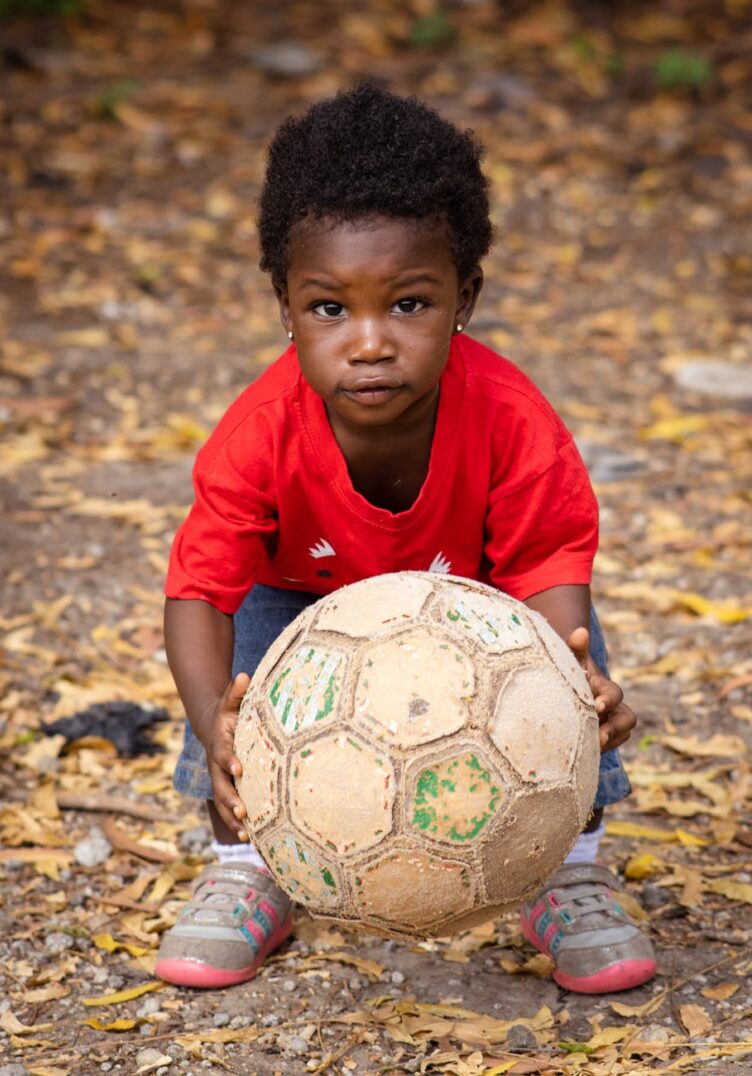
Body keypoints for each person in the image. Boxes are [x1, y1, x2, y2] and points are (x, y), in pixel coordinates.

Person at [155, 83, 656, 995]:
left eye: (410, 305)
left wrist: (575, 689)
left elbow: (547, 570)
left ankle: (568, 863)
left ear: (465, 296)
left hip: (474, 604)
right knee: (249, 679)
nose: (371, 342)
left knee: (559, 652)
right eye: (330, 309)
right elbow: (198, 591)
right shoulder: (260, 431)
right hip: (300, 600)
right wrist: (216, 728)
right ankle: (249, 871)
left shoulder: (512, 421)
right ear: (285, 305)